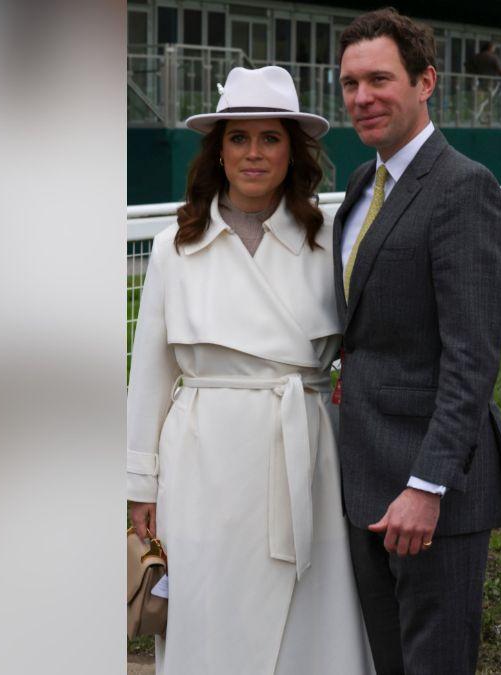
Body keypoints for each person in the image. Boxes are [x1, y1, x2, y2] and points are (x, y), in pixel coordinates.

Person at [126, 65, 373, 675]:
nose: (254, 153)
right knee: (210, 606)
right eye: (239, 137)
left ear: (293, 151)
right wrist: (139, 484)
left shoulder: (328, 240)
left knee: (308, 616)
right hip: (203, 461)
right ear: (219, 150)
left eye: (270, 138)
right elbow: (150, 371)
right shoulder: (175, 245)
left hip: (304, 454)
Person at [332, 9, 501, 675]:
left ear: (426, 82)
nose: (362, 97)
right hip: (364, 480)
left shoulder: (463, 187)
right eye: (350, 83)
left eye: (379, 79)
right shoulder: (361, 185)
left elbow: (473, 357)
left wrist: (426, 484)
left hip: (431, 493)